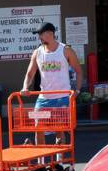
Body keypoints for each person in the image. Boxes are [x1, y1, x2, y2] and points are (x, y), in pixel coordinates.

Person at [21, 22, 82, 153]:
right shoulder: (37, 52)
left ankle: (59, 162)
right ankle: (41, 160)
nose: (39, 37)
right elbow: (30, 73)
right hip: (44, 98)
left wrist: (77, 90)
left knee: (59, 129)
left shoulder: (65, 50)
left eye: (40, 34)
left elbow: (78, 71)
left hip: (62, 97)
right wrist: (25, 87)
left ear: (50, 34)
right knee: (38, 128)